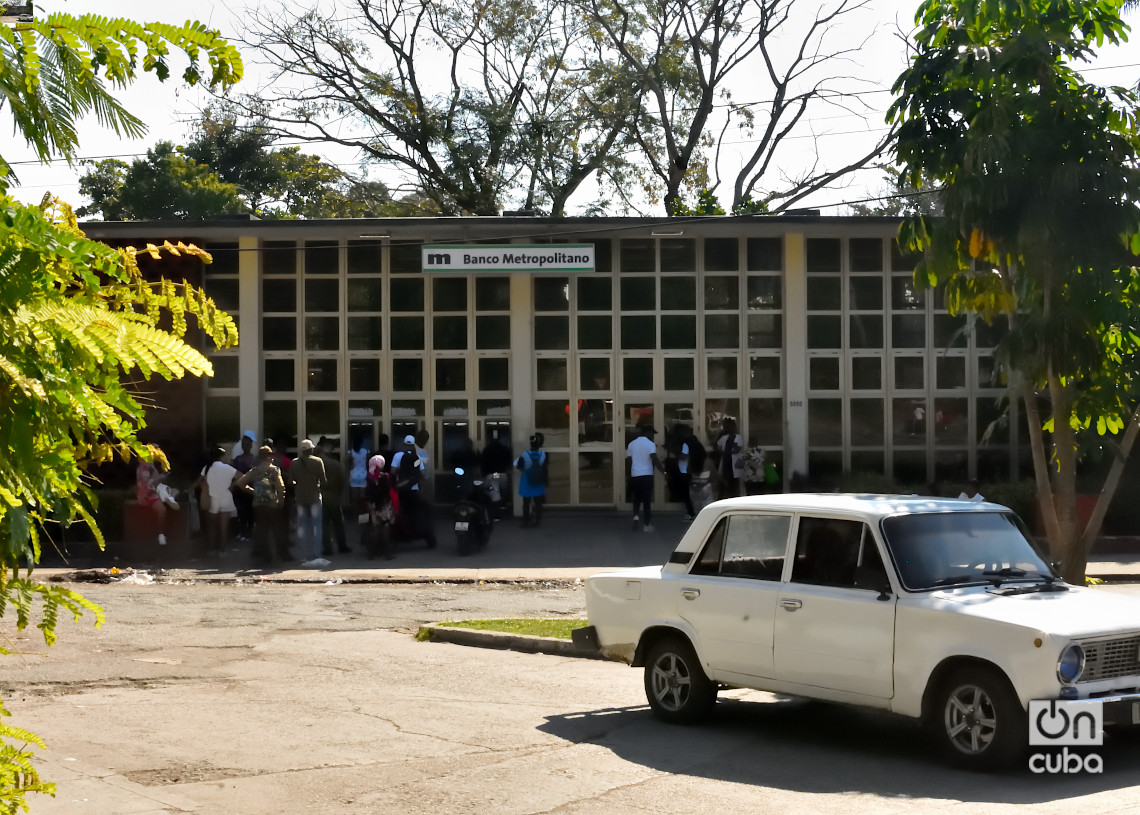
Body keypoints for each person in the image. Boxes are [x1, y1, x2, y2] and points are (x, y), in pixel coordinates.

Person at [235, 446, 290, 563]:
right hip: (272, 505)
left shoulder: (254, 470)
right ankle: (283, 554)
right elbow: (281, 488)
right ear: (269, 456)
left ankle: (266, 555)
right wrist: (281, 500)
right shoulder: (274, 470)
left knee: (262, 531)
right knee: (278, 531)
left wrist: (252, 491)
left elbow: (240, 483)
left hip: (259, 505)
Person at [391, 433, 437, 548]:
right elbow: (421, 474)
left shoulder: (398, 456)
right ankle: (422, 532)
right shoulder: (417, 457)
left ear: (404, 444)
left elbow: (393, 472)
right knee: (421, 509)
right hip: (413, 491)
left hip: (401, 491)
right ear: (413, 445)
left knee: (402, 510)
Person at [191, 447, 238, 554]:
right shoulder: (228, 468)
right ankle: (223, 549)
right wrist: (231, 486)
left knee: (211, 525)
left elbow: (199, 481)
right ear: (222, 456)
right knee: (223, 525)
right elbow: (240, 477)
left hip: (211, 499)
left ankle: (211, 548)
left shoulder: (207, 467)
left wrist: (188, 490)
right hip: (225, 498)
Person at [291, 438, 328, 567]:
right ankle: (316, 554)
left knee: (301, 527)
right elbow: (323, 481)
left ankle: (303, 556)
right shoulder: (318, 461)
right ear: (311, 449)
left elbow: (291, 481)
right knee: (316, 527)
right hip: (314, 497)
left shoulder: (294, 463)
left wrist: (300, 484)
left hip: (300, 498)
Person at [626, 424, 664, 532]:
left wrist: (629, 474)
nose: (653, 436)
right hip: (646, 475)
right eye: (652, 434)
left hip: (635, 475)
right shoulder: (650, 444)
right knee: (646, 501)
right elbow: (654, 459)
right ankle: (647, 524)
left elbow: (629, 461)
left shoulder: (631, 444)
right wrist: (663, 471)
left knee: (636, 499)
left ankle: (636, 517)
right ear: (647, 433)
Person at [318, 436, 350, 556]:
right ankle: (342, 546)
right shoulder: (335, 464)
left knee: (324, 524)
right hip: (334, 496)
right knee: (338, 523)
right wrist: (339, 492)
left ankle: (327, 548)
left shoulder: (317, 464)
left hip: (321, 495)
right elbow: (342, 480)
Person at [364, 454, 396, 560]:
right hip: (384, 507)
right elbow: (388, 492)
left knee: (375, 529)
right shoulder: (385, 477)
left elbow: (367, 493)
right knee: (385, 528)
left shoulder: (369, 477)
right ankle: (387, 553)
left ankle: (372, 553)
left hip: (373, 507)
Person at [135, 457, 173, 545]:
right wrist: (160, 478)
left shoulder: (150, 466)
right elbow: (147, 484)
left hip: (152, 494)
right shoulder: (143, 468)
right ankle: (161, 535)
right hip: (147, 496)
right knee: (162, 510)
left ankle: (161, 535)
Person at [515, 433, 548, 528]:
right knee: (538, 503)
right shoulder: (543, 455)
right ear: (540, 444)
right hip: (538, 482)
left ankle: (526, 521)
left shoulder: (525, 455)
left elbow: (519, 466)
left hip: (527, 482)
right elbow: (544, 469)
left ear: (531, 444)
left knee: (526, 503)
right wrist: (545, 481)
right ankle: (537, 522)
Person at [230, 433, 256, 541]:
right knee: (241, 511)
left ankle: (249, 532)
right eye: (244, 444)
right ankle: (242, 531)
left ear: (251, 445)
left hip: (252, 489)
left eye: (248, 444)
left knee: (251, 512)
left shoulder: (255, 459)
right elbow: (233, 475)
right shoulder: (237, 460)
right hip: (239, 490)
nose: (246, 446)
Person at [715, 418, 744, 500]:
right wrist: (720, 451)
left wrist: (726, 452)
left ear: (734, 427)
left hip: (734, 465)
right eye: (727, 427)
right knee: (724, 485)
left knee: (734, 485)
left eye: (730, 427)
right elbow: (717, 445)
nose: (729, 429)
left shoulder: (738, 437)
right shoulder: (724, 437)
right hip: (726, 463)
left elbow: (737, 450)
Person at [674, 424, 697, 521]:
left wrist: (675, 456)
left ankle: (691, 513)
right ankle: (692, 512)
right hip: (689, 470)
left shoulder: (686, 444)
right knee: (689, 493)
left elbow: (683, 456)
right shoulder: (694, 443)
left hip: (684, 471)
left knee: (686, 494)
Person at [348, 433, 370, 514]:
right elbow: (368, 462)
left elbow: (346, 461)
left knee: (354, 497)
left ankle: (355, 512)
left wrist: (350, 466)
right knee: (362, 497)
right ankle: (362, 514)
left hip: (354, 473)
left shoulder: (351, 452)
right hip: (363, 474)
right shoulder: (365, 451)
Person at [414, 428, 432, 501]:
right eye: (424, 439)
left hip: (424, 481)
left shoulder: (423, 451)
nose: (425, 441)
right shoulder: (414, 451)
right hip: (417, 482)